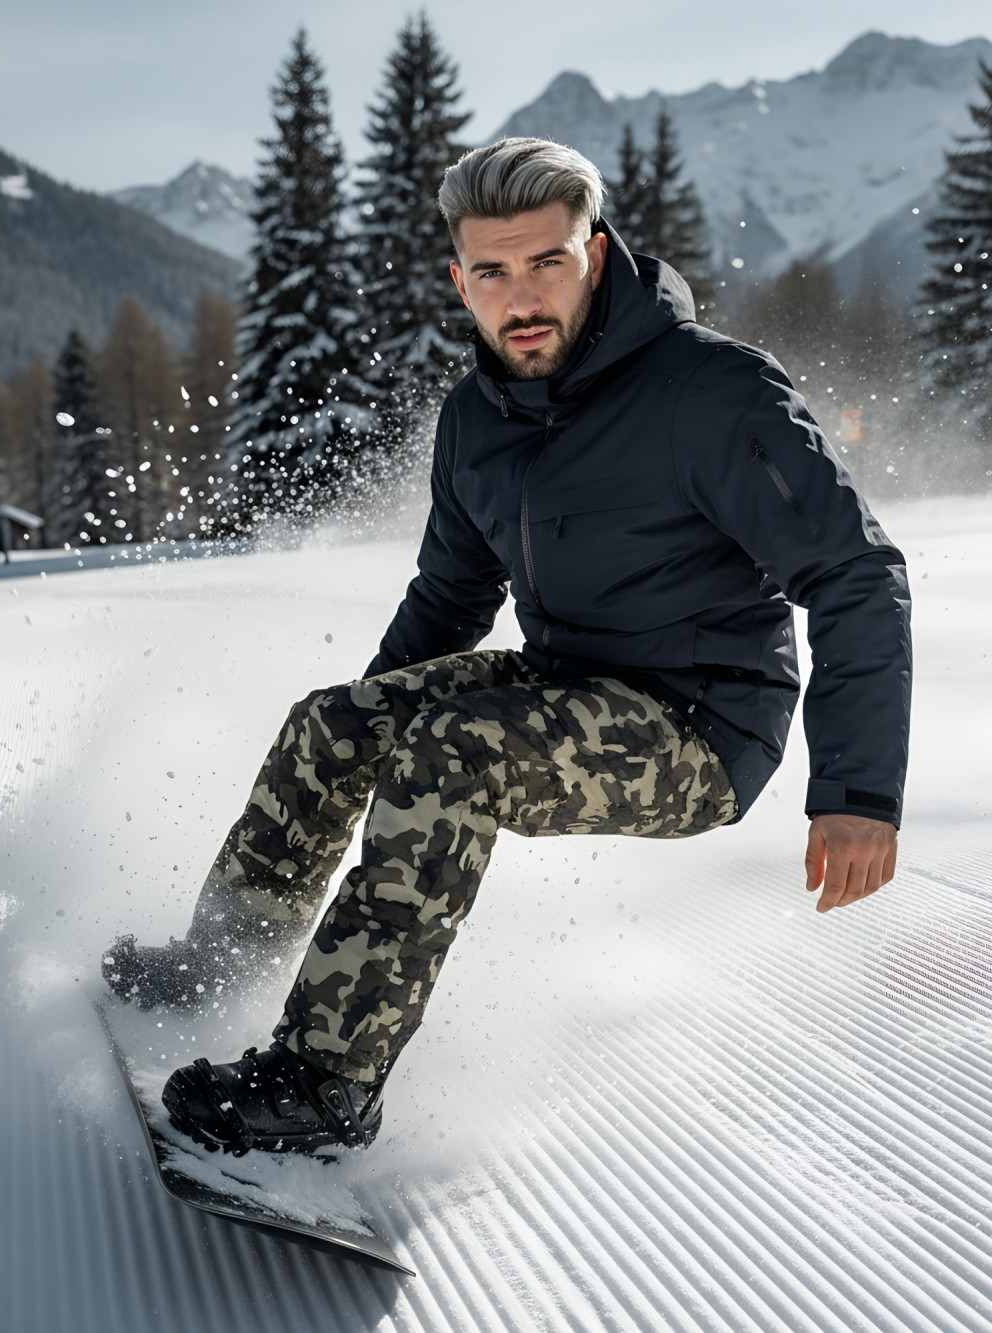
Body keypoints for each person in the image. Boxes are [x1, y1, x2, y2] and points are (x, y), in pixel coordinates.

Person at [102, 138, 911, 1158]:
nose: (520, 298)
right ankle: (220, 961)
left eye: (546, 262)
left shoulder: (713, 393)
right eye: (492, 271)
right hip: (564, 678)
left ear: (597, 255)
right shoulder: (474, 420)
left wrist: (858, 792)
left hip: (701, 722)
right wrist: (361, 736)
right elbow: (450, 595)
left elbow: (855, 573)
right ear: (460, 281)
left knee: (453, 755)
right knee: (332, 721)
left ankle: (326, 1082)